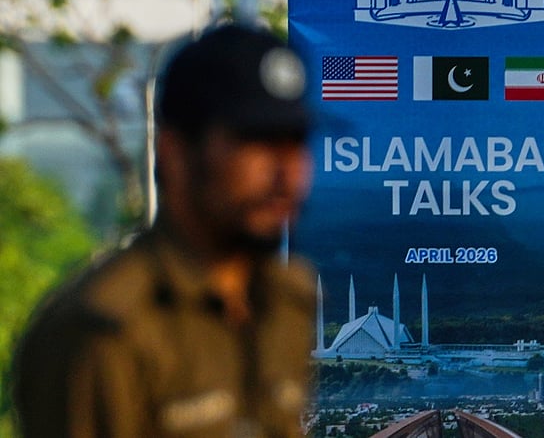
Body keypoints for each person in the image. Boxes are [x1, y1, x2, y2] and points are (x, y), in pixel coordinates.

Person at [12, 22, 318, 438]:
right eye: (255, 143)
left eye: (295, 143)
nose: (286, 174)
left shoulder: (286, 302)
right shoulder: (107, 329)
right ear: (175, 153)